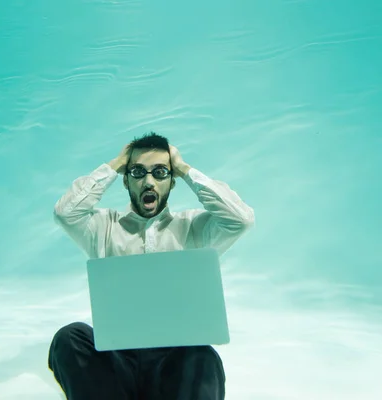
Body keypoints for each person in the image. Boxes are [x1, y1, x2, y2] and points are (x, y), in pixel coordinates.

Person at [48, 132, 255, 399]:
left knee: (202, 354)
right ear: (125, 179)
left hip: (173, 363)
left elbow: (241, 220)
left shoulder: (194, 227)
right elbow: (65, 213)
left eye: (159, 172)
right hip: (116, 363)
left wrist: (183, 168)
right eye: (137, 172)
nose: (148, 181)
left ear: (172, 181)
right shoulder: (103, 227)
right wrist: (116, 163)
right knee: (69, 337)